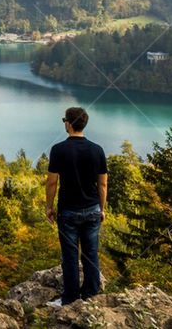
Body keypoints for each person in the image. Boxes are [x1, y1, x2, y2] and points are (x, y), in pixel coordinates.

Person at [44, 106, 108, 306]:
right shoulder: (97, 150)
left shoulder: (58, 150)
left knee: (70, 256)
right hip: (92, 210)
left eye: (65, 120)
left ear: (68, 124)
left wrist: (49, 207)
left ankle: (70, 299)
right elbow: (103, 184)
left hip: (68, 211)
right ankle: (91, 296)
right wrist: (102, 209)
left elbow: (52, 182)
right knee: (91, 254)